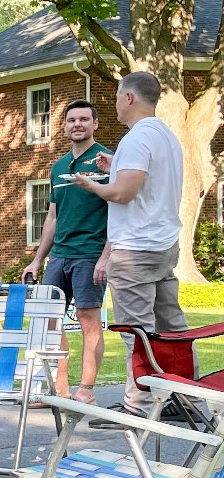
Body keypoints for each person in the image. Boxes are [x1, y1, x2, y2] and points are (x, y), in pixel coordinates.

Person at [72, 71, 188, 425]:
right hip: (164, 244)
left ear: (130, 98)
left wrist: (90, 185)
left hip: (135, 249)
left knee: (135, 329)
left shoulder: (137, 138)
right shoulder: (166, 136)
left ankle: (137, 407)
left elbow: (124, 193)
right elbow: (140, 181)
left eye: (118, 96)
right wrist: (115, 167)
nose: (116, 103)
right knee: (172, 327)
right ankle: (185, 398)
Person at [22, 100, 112, 405]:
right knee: (50, 320)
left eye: (84, 119)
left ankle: (85, 390)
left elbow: (120, 210)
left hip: (90, 253)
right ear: (63, 126)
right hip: (59, 255)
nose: (77, 124)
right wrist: (37, 259)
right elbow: (52, 217)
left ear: (95, 124)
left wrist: (106, 256)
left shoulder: (107, 161)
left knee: (88, 318)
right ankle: (58, 390)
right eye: (71, 119)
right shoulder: (58, 166)